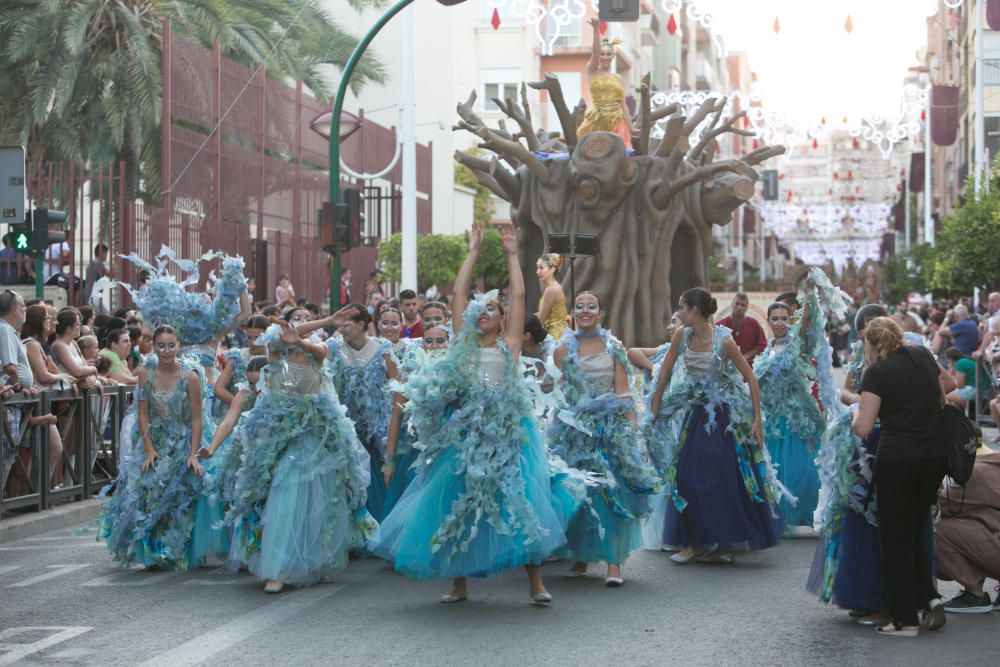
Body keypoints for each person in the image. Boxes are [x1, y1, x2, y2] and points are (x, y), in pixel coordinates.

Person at [371, 223, 581, 606]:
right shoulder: (463, 347)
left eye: (492, 309)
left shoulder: (511, 344)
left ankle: (535, 582)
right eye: (479, 308)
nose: (484, 312)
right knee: (457, 501)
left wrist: (511, 253)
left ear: (502, 319)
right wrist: (472, 251)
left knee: (520, 501)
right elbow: (457, 296)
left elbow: (518, 294)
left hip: (508, 433)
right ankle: (459, 582)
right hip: (466, 436)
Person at [223, 318, 376, 593]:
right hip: (281, 441)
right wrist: (296, 333)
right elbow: (273, 343)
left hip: (316, 439)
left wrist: (307, 335)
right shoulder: (274, 355)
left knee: (318, 501)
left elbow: (318, 351)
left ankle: (313, 561)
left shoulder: (317, 352)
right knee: (285, 495)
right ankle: (279, 569)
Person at [649, 287, 783, 565]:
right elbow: (665, 373)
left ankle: (725, 543)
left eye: (682, 308)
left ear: (694, 310)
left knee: (723, 476)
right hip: (696, 412)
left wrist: (757, 420)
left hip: (723, 415)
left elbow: (751, 378)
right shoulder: (681, 336)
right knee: (685, 474)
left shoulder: (724, 342)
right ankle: (692, 543)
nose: (679, 313)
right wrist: (655, 409)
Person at [851, 317, 952, 638]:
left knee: (894, 539)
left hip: (899, 459)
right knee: (915, 528)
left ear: (872, 343)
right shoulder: (922, 354)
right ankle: (928, 598)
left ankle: (904, 620)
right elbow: (946, 387)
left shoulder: (876, 373)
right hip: (935, 455)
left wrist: (856, 412)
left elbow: (864, 427)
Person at [550, 291, 657, 586]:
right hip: (576, 431)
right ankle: (581, 556)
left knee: (611, 491)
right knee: (579, 491)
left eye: (591, 306)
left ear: (601, 312)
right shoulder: (562, 350)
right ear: (573, 312)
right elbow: (562, 390)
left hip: (608, 430)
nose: (586, 310)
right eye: (580, 306)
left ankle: (614, 564)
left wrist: (632, 430)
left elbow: (623, 391)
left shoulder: (614, 346)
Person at [99, 325, 211, 570]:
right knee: (146, 492)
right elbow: (143, 413)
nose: (167, 350)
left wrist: (192, 453)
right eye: (161, 345)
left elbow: (196, 419)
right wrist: (149, 449)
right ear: (154, 346)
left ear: (178, 345)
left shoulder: (190, 376)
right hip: (153, 439)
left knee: (180, 494)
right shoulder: (146, 374)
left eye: (172, 345)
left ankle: (177, 549)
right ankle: (153, 551)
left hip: (182, 441)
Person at [324, 304, 398, 522]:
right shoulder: (333, 348)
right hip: (345, 425)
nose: (342, 328)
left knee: (374, 474)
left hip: (375, 426)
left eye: (346, 323)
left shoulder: (382, 349)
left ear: (361, 325)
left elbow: (396, 385)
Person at [577, 18, 634, 148]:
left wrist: (631, 128)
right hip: (596, 120)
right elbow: (595, 52)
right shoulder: (592, 71)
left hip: (617, 122)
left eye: (609, 54)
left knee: (620, 154)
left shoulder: (618, 78)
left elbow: (623, 105)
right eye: (602, 54)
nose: (605, 57)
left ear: (613, 56)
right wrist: (596, 30)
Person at [717, 293, 768, 363]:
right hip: (724, 367)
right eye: (737, 304)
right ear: (732, 304)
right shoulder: (720, 325)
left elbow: (762, 345)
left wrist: (748, 355)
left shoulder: (753, 324)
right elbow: (713, 347)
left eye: (743, 305)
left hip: (748, 366)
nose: (739, 307)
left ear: (747, 307)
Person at [535, 253, 568, 340]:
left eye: (541, 268)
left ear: (552, 269)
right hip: (560, 331)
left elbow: (541, 319)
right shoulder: (555, 287)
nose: (537, 271)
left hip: (555, 334)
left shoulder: (551, 290)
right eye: (537, 268)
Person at [83, 243, 109, 312]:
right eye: (106, 253)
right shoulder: (98, 263)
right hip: (93, 294)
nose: (106, 256)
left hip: (90, 293)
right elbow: (110, 274)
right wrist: (117, 262)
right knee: (104, 313)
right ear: (101, 253)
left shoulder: (94, 263)